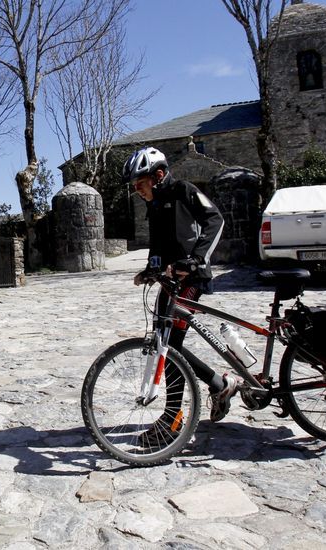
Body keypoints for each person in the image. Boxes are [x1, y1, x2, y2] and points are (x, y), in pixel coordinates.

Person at [121, 146, 237, 445]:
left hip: (192, 278)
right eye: (135, 185)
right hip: (169, 280)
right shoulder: (154, 204)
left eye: (140, 183)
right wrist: (151, 269)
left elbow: (215, 220)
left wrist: (196, 259)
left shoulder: (183, 190)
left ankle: (173, 418)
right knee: (164, 343)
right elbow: (159, 244)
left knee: (170, 345)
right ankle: (219, 384)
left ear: (158, 175)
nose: (137, 190)